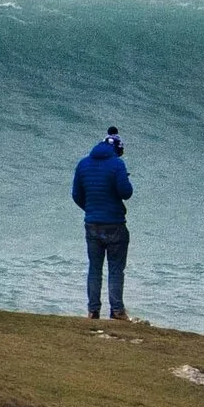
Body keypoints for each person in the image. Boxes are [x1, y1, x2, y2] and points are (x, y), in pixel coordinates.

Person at [71, 126, 134, 320]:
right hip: (114, 223)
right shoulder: (117, 165)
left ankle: (93, 310)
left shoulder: (83, 164)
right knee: (115, 269)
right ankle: (116, 310)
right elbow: (126, 192)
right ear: (118, 150)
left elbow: (76, 195)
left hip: (92, 223)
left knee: (94, 268)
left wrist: (91, 209)